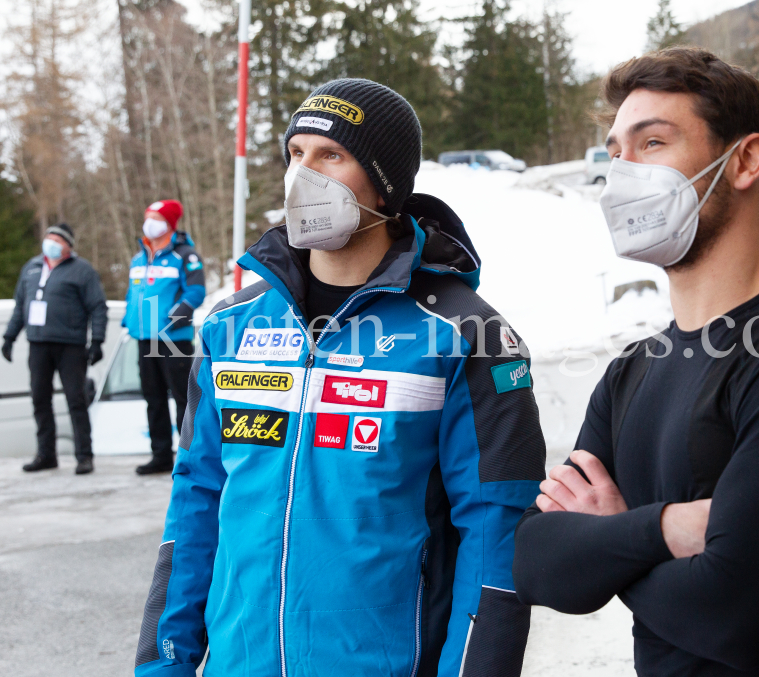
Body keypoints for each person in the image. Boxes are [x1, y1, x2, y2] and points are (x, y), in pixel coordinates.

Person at [134, 79, 546, 677]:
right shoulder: (231, 324)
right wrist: (161, 663)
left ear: (386, 183)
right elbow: (197, 501)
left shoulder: (464, 333)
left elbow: (496, 532)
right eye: (296, 154)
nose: (304, 175)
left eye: (331, 155)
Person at [513, 48, 759, 676]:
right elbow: (538, 565)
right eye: (615, 151)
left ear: (745, 160)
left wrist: (611, 538)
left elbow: (735, 619)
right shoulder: (633, 371)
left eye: (653, 143)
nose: (622, 173)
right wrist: (662, 530)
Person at [3, 223, 107, 475]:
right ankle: (45, 454)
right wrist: (9, 337)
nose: (50, 243)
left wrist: (97, 341)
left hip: (70, 346)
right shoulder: (32, 267)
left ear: (68, 245)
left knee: (76, 400)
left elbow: (97, 306)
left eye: (56, 240)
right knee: (39, 398)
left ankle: (84, 455)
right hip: (38, 344)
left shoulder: (82, 270)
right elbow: (20, 305)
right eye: (48, 238)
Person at [124, 200, 205, 475]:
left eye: (156, 217)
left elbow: (195, 291)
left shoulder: (185, 254)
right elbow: (132, 294)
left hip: (173, 340)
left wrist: (175, 317)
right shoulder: (139, 256)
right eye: (148, 216)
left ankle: (188, 457)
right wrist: (128, 320)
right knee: (153, 397)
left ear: (170, 222)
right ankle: (160, 455)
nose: (149, 222)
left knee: (183, 398)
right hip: (144, 339)